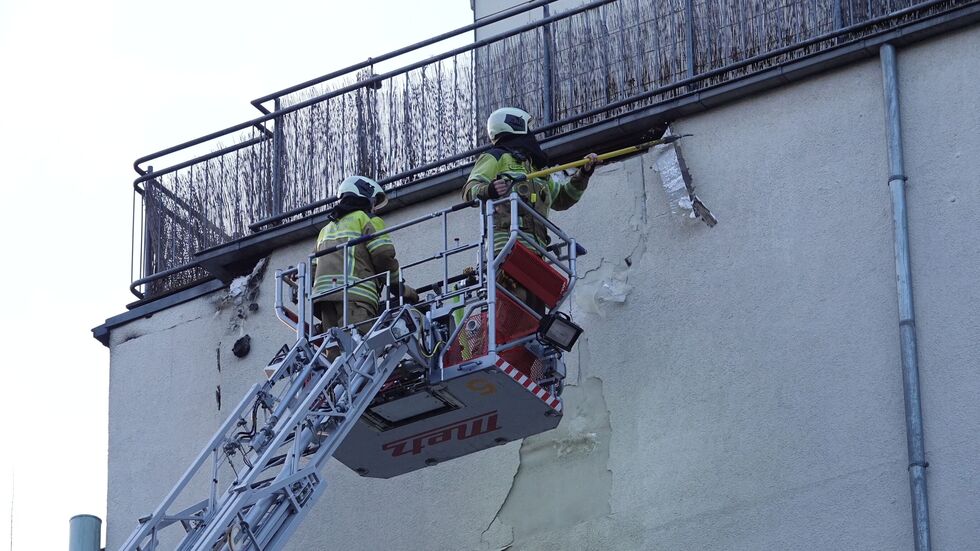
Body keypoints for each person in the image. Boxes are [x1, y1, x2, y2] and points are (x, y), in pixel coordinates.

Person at [461, 107, 600, 311]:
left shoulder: (537, 171)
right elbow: (469, 190)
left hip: (536, 253)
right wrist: (488, 189)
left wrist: (584, 174)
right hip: (507, 248)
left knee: (535, 317)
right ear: (515, 126)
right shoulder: (496, 157)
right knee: (515, 307)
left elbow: (562, 198)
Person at [311, 175, 418, 346]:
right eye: (374, 202)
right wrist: (399, 287)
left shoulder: (325, 230)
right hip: (355, 297)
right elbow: (383, 255)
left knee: (335, 352)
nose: (374, 208)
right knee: (362, 349)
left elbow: (312, 270)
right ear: (366, 196)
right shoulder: (367, 220)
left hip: (324, 300)